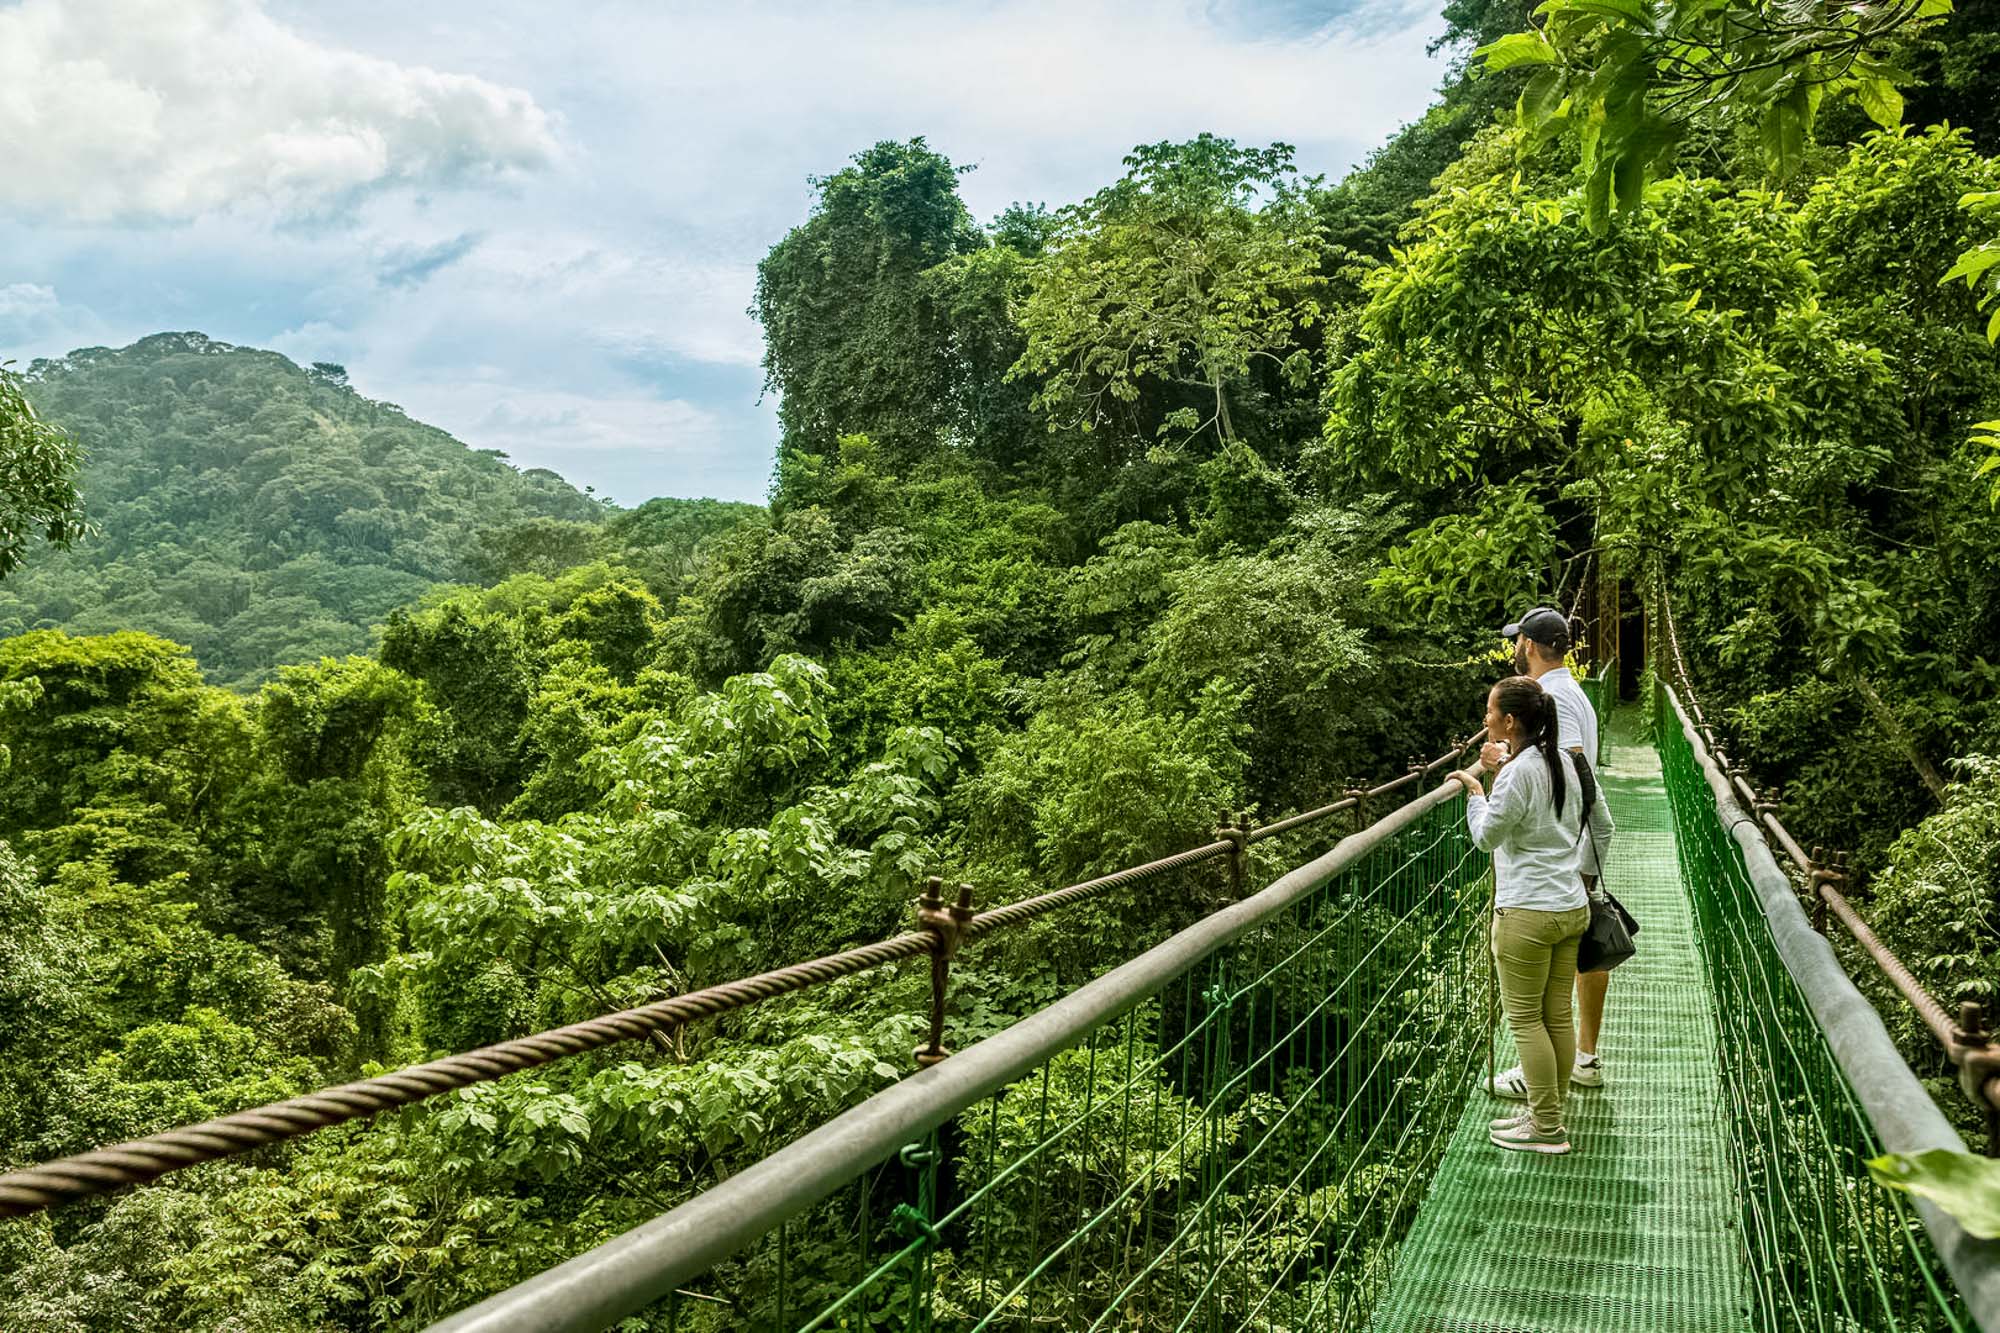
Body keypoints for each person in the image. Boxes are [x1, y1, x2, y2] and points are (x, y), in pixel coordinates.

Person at [1452, 675, 1614, 1154]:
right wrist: (1583, 879)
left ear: (1509, 721)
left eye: (1490, 712)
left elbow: (1487, 836)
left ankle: (1546, 1127)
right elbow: (1600, 824)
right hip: (1569, 908)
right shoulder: (1565, 761)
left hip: (1526, 913)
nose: (1485, 720)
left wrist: (1474, 791)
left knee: (1524, 1021)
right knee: (1555, 1017)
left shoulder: (1522, 772)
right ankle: (1547, 1115)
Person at [1484, 605, 1615, 1100]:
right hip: (1569, 858)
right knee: (1555, 998)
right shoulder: (1573, 690)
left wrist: (1503, 773)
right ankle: (1578, 1062)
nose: (1514, 647)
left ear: (1530, 646)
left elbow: (1571, 771)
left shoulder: (1553, 696)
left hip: (1555, 863)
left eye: (1517, 640)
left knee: (1533, 1007)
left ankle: (1543, 1089)